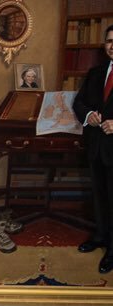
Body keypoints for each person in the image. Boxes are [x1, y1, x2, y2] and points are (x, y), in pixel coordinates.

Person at [72, 26, 113, 274]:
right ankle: (100, 235)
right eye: (109, 41)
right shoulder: (95, 73)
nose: (112, 45)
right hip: (96, 146)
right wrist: (88, 115)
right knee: (98, 195)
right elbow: (78, 102)